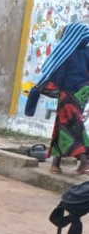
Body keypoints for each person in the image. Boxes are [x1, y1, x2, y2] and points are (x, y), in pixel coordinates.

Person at [25, 23, 89, 174]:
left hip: (69, 93)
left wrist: (43, 87)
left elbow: (57, 74)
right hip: (83, 93)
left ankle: (84, 161)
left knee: (69, 125)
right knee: (62, 125)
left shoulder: (66, 53)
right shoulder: (87, 53)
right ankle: (56, 164)